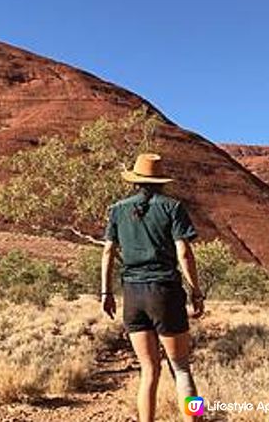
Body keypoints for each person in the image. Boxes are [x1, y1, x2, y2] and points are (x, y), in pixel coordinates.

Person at [101, 153, 205, 422]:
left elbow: (108, 252)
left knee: (148, 370)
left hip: (133, 295)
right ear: (161, 181)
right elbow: (184, 253)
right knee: (181, 369)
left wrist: (106, 292)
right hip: (165, 292)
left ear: (136, 181)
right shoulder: (172, 207)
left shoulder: (117, 209)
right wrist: (196, 290)